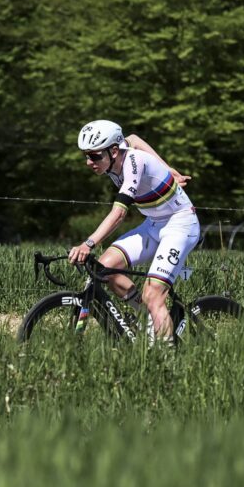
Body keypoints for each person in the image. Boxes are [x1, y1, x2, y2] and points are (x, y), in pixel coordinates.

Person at [68, 120, 200, 343]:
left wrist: (88, 243)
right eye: (86, 156)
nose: (89, 162)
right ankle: (149, 323)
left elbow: (119, 214)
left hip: (180, 224)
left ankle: (169, 364)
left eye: (95, 156)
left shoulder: (133, 164)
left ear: (114, 150)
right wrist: (167, 168)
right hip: (154, 224)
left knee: (153, 295)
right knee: (105, 268)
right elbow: (134, 138)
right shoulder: (114, 155)